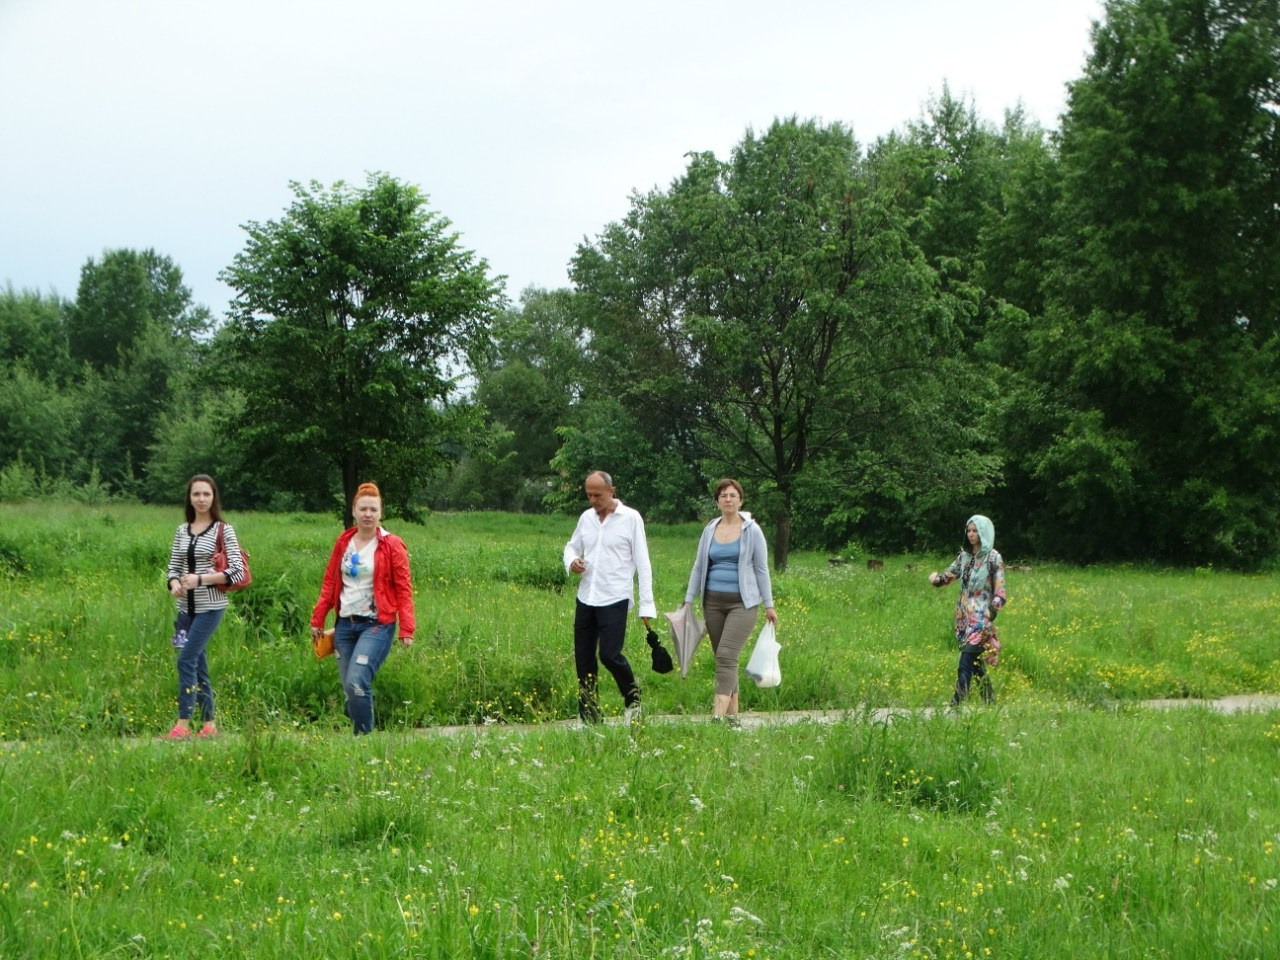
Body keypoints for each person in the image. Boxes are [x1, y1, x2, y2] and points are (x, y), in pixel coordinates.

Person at [310, 483, 415, 735]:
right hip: (345, 626)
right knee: (350, 687)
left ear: (381, 513)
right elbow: (330, 581)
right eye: (363, 509)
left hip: (377, 624)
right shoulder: (344, 541)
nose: (368, 514)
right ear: (354, 511)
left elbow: (404, 588)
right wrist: (318, 618)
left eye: (373, 509)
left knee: (358, 681)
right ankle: (358, 737)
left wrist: (407, 629)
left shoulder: (392, 545)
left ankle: (364, 740)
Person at [563, 470, 655, 723]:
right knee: (583, 658)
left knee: (609, 655)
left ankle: (633, 700)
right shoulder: (586, 519)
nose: (593, 500)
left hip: (615, 596)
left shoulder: (631, 518)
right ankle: (589, 716)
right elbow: (571, 546)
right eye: (589, 494)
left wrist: (647, 604)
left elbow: (643, 562)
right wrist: (571, 561)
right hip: (586, 596)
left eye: (598, 495)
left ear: (612, 491)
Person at [682, 478, 777, 721]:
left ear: (740, 500)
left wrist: (769, 604)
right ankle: (733, 719)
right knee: (726, 659)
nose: (728, 499)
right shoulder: (709, 530)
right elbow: (698, 566)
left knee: (726, 654)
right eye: (723, 495)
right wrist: (688, 601)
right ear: (717, 502)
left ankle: (716, 717)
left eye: (733, 495)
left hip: (742, 604)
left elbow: (761, 569)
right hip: (712, 602)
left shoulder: (751, 530)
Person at [163, 474, 246, 740]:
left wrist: (201, 579)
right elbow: (173, 567)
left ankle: (183, 725)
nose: (201, 499)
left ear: (214, 497)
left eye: (206, 494)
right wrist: (174, 582)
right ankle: (209, 725)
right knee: (197, 664)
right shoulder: (181, 530)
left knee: (186, 658)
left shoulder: (223, 530)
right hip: (185, 609)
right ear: (190, 497)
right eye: (196, 494)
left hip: (211, 606)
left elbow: (236, 571)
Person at [928, 514, 1006, 705]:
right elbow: (950, 574)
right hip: (963, 617)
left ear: (984, 532)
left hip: (981, 618)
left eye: (975, 531)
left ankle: (956, 705)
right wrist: (937, 579)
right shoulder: (964, 556)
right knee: (976, 663)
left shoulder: (993, 558)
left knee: (965, 662)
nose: (971, 534)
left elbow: (1000, 592)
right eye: (969, 530)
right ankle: (990, 702)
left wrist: (992, 611)